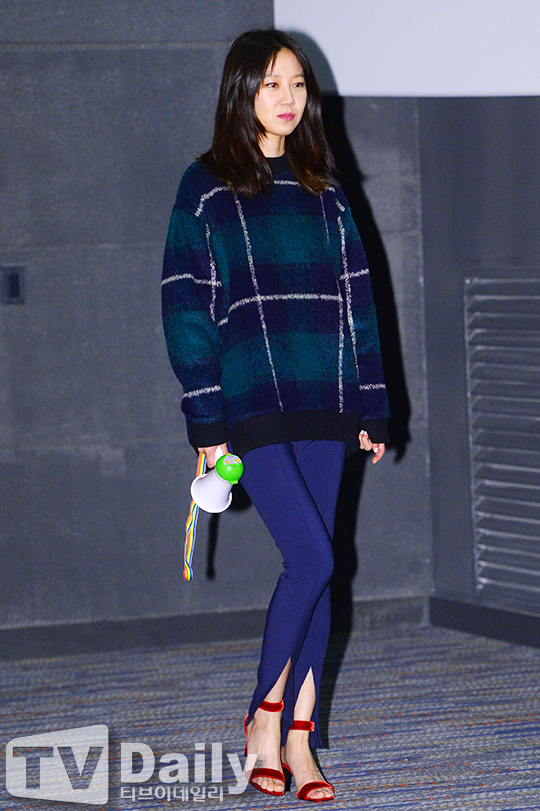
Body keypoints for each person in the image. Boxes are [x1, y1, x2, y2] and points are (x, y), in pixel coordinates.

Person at [162, 28, 389, 803]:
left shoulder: (324, 183)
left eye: (297, 84)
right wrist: (206, 421)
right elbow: (185, 308)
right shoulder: (205, 186)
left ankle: (300, 739)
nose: (288, 98)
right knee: (314, 558)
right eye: (270, 84)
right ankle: (265, 715)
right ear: (241, 93)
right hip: (249, 397)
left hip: (325, 393)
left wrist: (371, 403)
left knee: (319, 566)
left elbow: (360, 297)